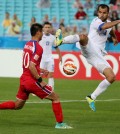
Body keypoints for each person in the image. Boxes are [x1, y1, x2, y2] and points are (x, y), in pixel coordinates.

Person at [0, 23, 72, 129]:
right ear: (38, 32)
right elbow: (31, 65)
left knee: (17, 105)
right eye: (42, 31)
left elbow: (29, 64)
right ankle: (60, 124)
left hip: (24, 79)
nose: (43, 34)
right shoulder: (38, 47)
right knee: (55, 97)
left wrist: (41, 70)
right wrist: (40, 79)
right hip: (32, 81)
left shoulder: (27, 44)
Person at [55, 4, 120, 112]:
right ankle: (61, 41)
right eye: (100, 12)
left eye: (104, 12)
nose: (101, 14)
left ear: (107, 13)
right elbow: (104, 27)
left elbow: (110, 29)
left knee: (111, 77)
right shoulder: (96, 21)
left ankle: (92, 97)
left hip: (98, 56)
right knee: (83, 37)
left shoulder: (108, 23)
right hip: (90, 48)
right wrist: (118, 21)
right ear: (97, 12)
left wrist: (114, 38)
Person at [39, 22, 62, 90]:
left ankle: (50, 89)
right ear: (43, 28)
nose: (47, 29)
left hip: (49, 58)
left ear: (51, 28)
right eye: (46, 27)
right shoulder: (40, 36)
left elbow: (56, 47)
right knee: (39, 75)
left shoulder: (52, 38)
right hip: (41, 58)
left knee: (51, 74)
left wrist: (60, 56)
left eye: (49, 27)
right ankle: (36, 88)